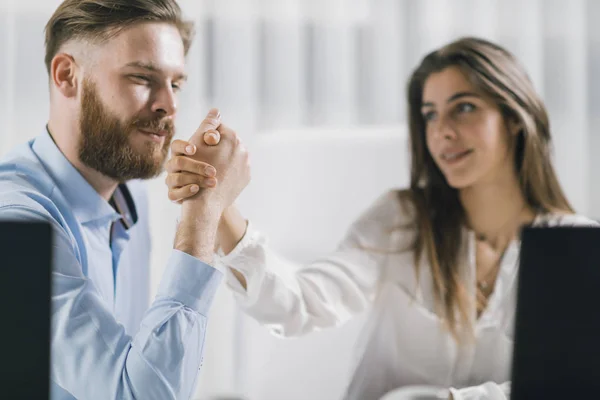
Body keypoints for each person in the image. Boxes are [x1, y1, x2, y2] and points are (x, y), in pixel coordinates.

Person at [167, 36, 599, 400]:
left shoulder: (577, 246)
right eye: (430, 114)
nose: (441, 130)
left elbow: (568, 386)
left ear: (515, 118)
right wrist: (218, 200)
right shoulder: (403, 218)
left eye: (463, 107)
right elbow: (300, 304)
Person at [0, 0, 250, 399]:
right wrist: (202, 211)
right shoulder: (15, 222)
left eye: (177, 83)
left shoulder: (129, 193)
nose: (168, 105)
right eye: (141, 77)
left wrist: (215, 197)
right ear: (67, 76)